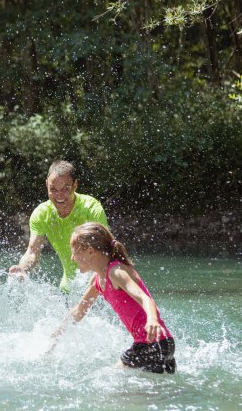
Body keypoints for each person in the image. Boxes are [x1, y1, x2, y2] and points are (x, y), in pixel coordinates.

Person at [51, 222, 176, 374]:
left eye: (74, 252)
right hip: (161, 343)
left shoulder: (115, 272)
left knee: (112, 378)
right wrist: (57, 333)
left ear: (90, 251)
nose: (72, 258)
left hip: (152, 343)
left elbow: (145, 298)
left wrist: (152, 320)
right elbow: (80, 308)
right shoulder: (98, 279)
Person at [9, 160, 107, 291]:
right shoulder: (42, 214)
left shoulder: (91, 208)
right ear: (46, 185)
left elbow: (105, 253)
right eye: (53, 189)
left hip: (99, 288)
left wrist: (91, 293)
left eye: (65, 189)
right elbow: (32, 252)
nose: (59, 195)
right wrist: (22, 269)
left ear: (75, 185)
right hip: (68, 289)